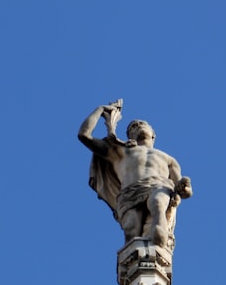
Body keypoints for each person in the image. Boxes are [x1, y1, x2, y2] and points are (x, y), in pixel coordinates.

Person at [78, 101, 191, 247]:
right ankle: (134, 262)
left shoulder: (168, 159)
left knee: (157, 205)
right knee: (131, 234)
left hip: (159, 186)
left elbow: (184, 190)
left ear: (153, 134)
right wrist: (100, 109)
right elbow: (84, 135)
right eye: (133, 126)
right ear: (129, 135)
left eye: (141, 123)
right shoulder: (120, 152)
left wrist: (184, 188)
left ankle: (159, 246)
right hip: (130, 194)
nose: (138, 125)